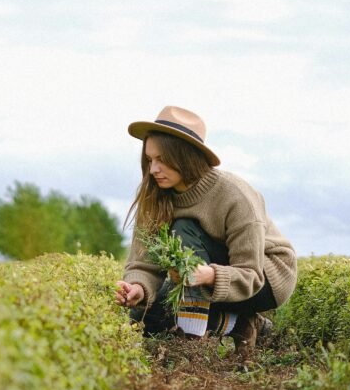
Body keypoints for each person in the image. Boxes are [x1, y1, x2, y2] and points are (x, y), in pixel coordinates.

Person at [114, 105, 297, 354]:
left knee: (183, 229)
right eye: (149, 160)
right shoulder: (155, 195)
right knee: (143, 317)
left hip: (265, 279)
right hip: (202, 277)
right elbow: (143, 263)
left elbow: (251, 275)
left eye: (162, 160)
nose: (154, 169)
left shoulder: (234, 195)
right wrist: (138, 288)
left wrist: (209, 275)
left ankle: (189, 347)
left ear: (185, 157)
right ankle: (242, 324)